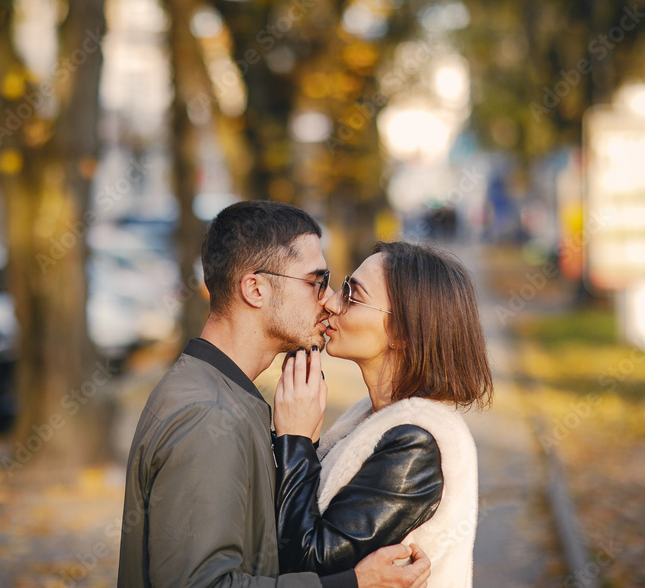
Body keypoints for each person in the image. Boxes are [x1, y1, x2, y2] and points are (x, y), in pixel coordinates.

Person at [117, 201, 432, 588]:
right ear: (255, 288)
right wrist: (350, 583)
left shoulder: (224, 395)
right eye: (316, 280)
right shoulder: (208, 414)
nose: (328, 298)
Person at [273, 241, 494, 587]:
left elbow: (309, 563)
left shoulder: (416, 443)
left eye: (352, 294)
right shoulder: (372, 419)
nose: (331, 301)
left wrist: (296, 440)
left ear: (403, 334)